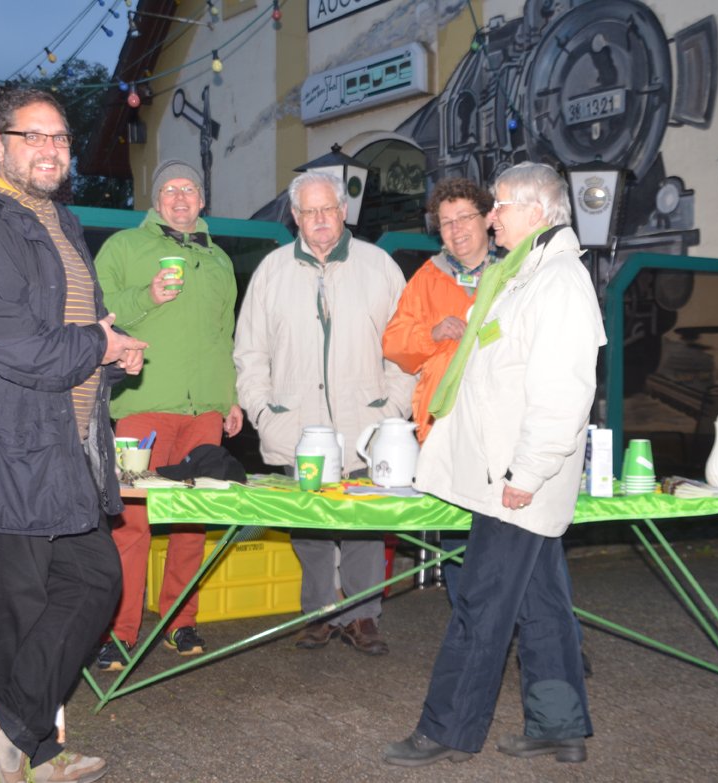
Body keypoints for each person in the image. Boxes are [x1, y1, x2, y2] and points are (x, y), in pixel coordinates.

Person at [0, 89, 147, 783]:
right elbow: (12, 343)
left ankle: (11, 729)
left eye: (60, 139)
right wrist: (96, 344)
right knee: (22, 600)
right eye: (34, 136)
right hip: (6, 441)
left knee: (89, 578)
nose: (51, 149)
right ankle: (26, 744)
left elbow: (75, 322)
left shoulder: (54, 219)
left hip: (59, 439)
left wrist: (112, 347)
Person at [383, 162, 605, 767]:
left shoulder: (557, 281)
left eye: (501, 205)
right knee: (543, 602)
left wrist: (526, 475)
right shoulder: (526, 273)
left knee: (481, 602)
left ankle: (448, 729)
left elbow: (563, 393)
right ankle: (559, 727)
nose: (492, 214)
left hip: (516, 478)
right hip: (509, 472)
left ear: (535, 213)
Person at [233, 170, 415, 656]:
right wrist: (264, 414)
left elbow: (403, 350)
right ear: (295, 217)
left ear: (342, 212)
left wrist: (393, 410)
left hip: (365, 423)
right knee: (309, 525)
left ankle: (361, 616)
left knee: (363, 525)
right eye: (308, 211)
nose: (319, 219)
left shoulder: (379, 266)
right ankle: (317, 613)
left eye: (327, 209)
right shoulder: (271, 271)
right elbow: (249, 353)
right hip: (297, 423)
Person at [92, 159, 241, 666]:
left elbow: (225, 337)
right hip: (143, 403)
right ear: (156, 200)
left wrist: (230, 396)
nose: (180, 198)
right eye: (170, 190)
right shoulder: (124, 248)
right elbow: (96, 315)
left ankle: (181, 622)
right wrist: (147, 295)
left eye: (190, 190)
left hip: (204, 413)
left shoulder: (219, 260)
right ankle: (120, 631)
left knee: (191, 523)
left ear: (202, 201)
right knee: (130, 523)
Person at [381, 177, 496, 603]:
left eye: (465, 217)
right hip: (443, 427)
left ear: (486, 219)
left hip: (500, 429)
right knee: (454, 538)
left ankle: (530, 628)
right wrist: (431, 333)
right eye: (445, 223)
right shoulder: (428, 277)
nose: (456, 229)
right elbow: (393, 343)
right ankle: (468, 628)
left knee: (508, 533)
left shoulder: (513, 274)